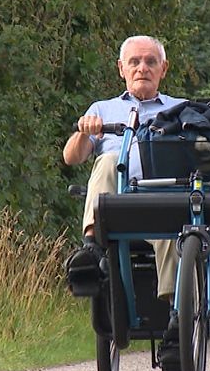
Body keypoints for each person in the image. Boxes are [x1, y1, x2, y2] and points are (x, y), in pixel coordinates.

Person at [62, 35, 186, 312]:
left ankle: (177, 321)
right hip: (119, 205)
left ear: (163, 69)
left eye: (150, 61)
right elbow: (71, 158)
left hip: (164, 203)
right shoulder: (102, 109)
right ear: (122, 68)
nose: (142, 68)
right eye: (134, 62)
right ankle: (92, 246)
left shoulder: (181, 108)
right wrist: (84, 132)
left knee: (175, 233)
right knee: (109, 159)